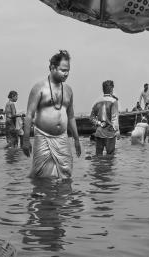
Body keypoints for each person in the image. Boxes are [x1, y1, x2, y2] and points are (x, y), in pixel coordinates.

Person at [22, 50, 81, 179]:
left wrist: (76, 139)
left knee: (66, 175)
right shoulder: (39, 88)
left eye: (68, 70)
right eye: (63, 70)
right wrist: (25, 140)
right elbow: (29, 115)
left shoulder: (68, 90)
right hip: (43, 137)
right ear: (53, 68)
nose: (66, 73)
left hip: (62, 138)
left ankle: (62, 198)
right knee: (41, 176)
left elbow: (71, 116)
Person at [90, 80, 120, 155]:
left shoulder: (97, 101)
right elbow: (114, 118)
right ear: (111, 89)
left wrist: (99, 123)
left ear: (103, 89)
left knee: (98, 156)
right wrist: (117, 131)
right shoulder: (113, 101)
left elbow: (91, 117)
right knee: (110, 157)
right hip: (109, 134)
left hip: (99, 133)